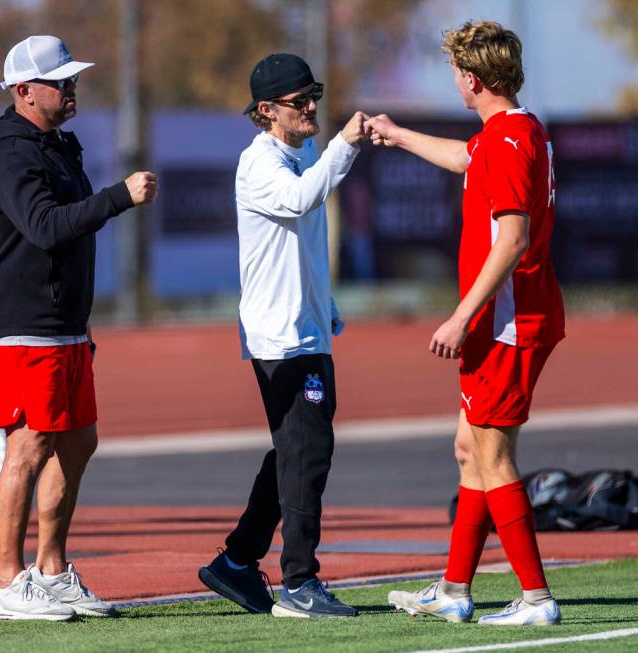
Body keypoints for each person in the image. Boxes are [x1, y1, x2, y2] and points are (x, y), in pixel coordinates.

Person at [366, 21, 565, 626]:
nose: (453, 81)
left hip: (505, 322)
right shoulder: (514, 129)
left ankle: (536, 599)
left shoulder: (506, 143)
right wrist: (397, 135)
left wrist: (460, 315)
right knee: (468, 449)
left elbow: (512, 239)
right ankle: (453, 591)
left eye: (456, 72)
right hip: (506, 319)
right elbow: (461, 157)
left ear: (473, 80)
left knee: (493, 456)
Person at [0, 35, 158, 620]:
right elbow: (46, 226)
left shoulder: (56, 146)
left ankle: (51, 570)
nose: (72, 88)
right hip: (24, 324)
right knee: (27, 445)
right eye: (61, 82)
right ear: (24, 91)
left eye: (73, 79)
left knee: (79, 439)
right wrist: (119, 197)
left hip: (64, 325)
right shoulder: (10, 153)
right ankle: (6, 583)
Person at [198, 53, 368, 619]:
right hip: (279, 339)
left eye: (314, 94)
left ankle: (238, 560)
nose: (312, 107)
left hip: (308, 328)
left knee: (298, 450)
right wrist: (346, 144)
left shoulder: (306, 150)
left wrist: (328, 305)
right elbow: (301, 200)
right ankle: (299, 582)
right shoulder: (259, 164)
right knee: (307, 450)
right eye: (300, 101)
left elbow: (306, 242)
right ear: (267, 111)